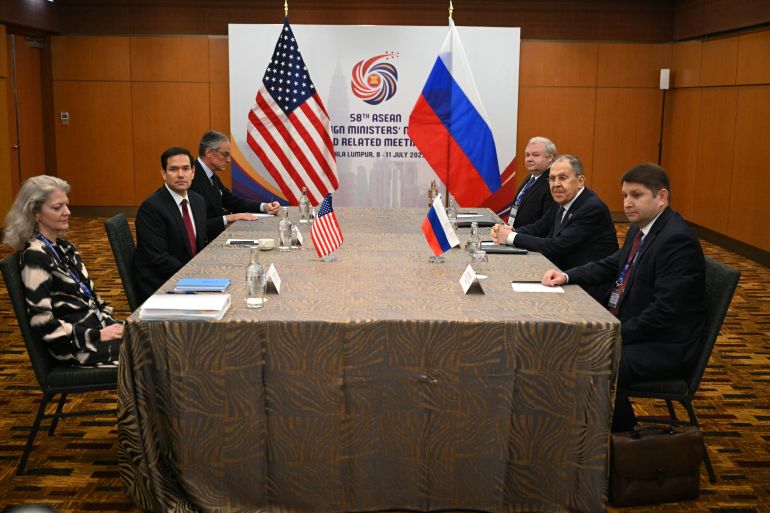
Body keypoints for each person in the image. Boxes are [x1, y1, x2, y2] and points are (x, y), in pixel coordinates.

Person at [541, 163, 706, 431]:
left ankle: (623, 443)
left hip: (664, 346)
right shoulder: (641, 229)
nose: (628, 203)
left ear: (661, 197)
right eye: (625, 196)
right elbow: (612, 264)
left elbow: (664, 313)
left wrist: (612, 333)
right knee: (570, 343)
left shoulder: (676, 241)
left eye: (636, 195)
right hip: (636, 329)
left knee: (589, 361)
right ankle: (591, 434)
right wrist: (568, 276)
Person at [2, 175, 123, 366]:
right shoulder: (35, 256)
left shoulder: (64, 247)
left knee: (159, 338)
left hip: (96, 331)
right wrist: (98, 334)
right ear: (35, 213)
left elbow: (90, 299)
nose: (67, 212)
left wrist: (114, 325)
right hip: (77, 348)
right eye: (57, 208)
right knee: (159, 351)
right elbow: (42, 322)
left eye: (66, 205)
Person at [491, 155, 618, 302]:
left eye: (563, 178)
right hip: (558, 276)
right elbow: (539, 227)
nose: (556, 184)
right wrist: (509, 231)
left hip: (586, 289)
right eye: (552, 179)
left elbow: (556, 246)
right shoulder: (563, 200)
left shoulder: (591, 208)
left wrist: (509, 237)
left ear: (580, 181)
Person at [132, 147, 208, 304]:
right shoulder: (151, 208)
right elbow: (158, 259)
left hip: (188, 278)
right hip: (162, 284)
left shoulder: (198, 201)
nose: (181, 174)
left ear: (193, 172)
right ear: (163, 173)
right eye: (173, 169)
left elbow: (201, 245)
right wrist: (197, 276)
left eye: (186, 168)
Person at [190, 130, 280, 240]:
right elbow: (195, 225)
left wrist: (264, 206)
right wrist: (229, 218)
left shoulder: (211, 175)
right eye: (225, 154)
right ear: (208, 152)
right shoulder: (191, 177)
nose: (229, 160)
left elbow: (232, 201)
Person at [507, 136, 557, 229]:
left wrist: (516, 235)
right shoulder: (531, 178)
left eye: (535, 155)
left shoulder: (553, 183)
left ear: (550, 157)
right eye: (527, 155)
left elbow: (546, 224)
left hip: (531, 239)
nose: (529, 159)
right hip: (515, 234)